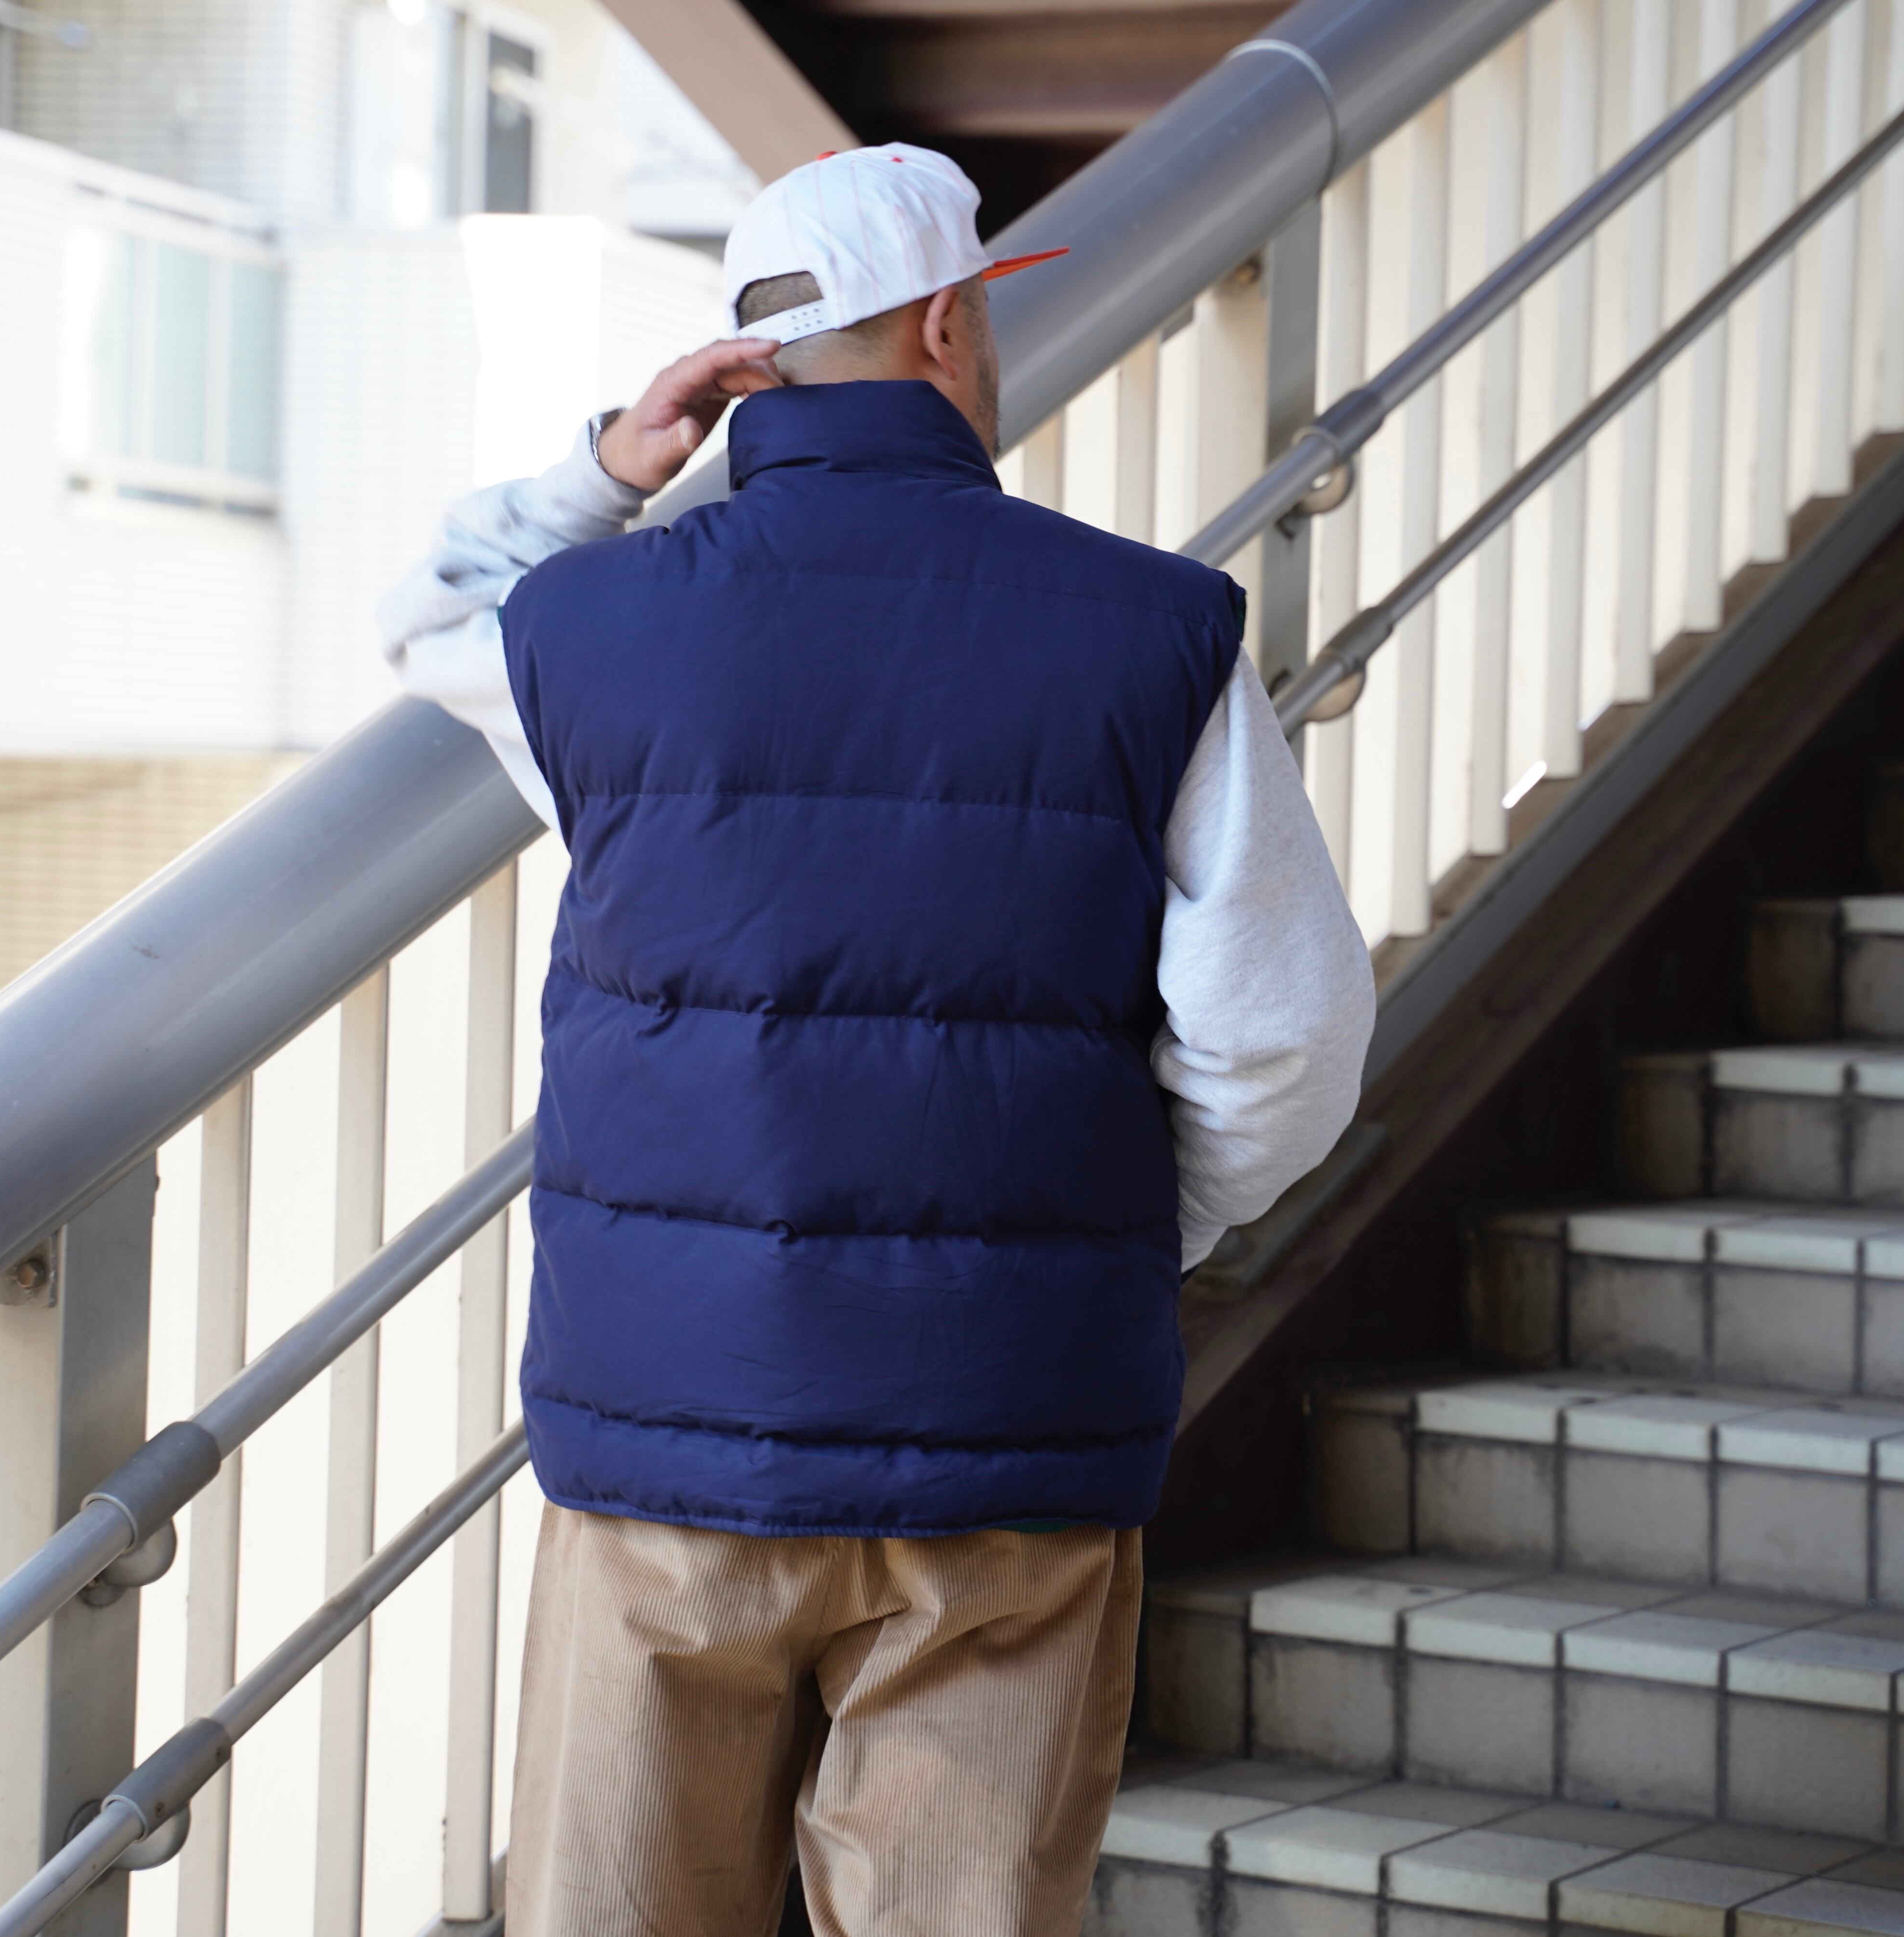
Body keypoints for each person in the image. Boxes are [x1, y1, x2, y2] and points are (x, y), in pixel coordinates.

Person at [380, 142, 1374, 1937]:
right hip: (1009, 1427)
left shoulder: (594, 631)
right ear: (942, 326)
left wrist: (617, 462)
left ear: (747, 370)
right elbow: (1282, 1033)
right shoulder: (1150, 627)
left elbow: (434, 605)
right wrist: (1142, 1232)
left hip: (671, 1444)